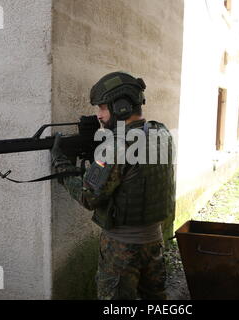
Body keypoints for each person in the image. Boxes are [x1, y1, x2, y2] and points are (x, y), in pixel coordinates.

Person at [50, 71, 175, 300]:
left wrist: (61, 165)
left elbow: (89, 197)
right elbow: (136, 176)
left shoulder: (115, 147)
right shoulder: (162, 133)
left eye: (102, 108)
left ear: (121, 107)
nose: (98, 115)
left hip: (122, 249)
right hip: (154, 242)